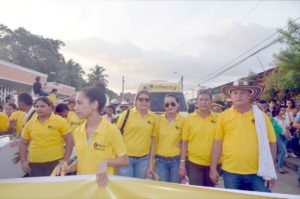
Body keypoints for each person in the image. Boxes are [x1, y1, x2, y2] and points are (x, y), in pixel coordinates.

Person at [210, 80, 277, 192]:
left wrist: (271, 170)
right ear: (230, 96)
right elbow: (218, 143)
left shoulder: (261, 116)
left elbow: (272, 143)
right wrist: (213, 168)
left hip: (259, 172)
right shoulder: (223, 117)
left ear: (250, 95)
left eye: (243, 92)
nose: (238, 95)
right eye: (235, 93)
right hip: (231, 172)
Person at [57, 85, 128, 187]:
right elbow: (83, 158)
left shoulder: (112, 131)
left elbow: (124, 160)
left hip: (103, 187)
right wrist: (69, 168)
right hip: (83, 186)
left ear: (94, 104)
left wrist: (105, 162)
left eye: (79, 103)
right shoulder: (78, 131)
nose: (75, 107)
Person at [19, 97, 73, 177]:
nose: (39, 109)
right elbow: (23, 143)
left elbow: (69, 140)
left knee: (53, 188)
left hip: (55, 162)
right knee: (37, 188)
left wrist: (66, 159)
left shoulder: (59, 121)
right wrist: (23, 162)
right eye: (37, 107)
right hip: (34, 163)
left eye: (42, 106)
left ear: (50, 107)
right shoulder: (30, 123)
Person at [180, 90, 219, 186]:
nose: (204, 102)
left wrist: (255, 107)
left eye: (206, 99)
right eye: (201, 99)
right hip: (194, 163)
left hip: (213, 164)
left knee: (209, 193)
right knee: (197, 193)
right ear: (197, 102)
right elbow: (184, 143)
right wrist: (182, 163)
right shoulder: (188, 119)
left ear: (211, 102)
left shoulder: (219, 118)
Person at [117, 90, 156, 179]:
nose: (144, 102)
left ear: (150, 102)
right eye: (141, 99)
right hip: (126, 159)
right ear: (136, 101)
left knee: (139, 187)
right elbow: (116, 135)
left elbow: (153, 141)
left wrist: (151, 163)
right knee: (126, 187)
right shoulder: (126, 114)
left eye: (147, 100)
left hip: (143, 160)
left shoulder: (153, 118)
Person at [147, 94, 184, 183]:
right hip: (160, 162)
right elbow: (154, 142)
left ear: (178, 104)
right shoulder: (158, 120)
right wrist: (151, 163)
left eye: (172, 104)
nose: (170, 106)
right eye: (167, 104)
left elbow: (187, 141)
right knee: (163, 191)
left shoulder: (184, 121)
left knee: (175, 192)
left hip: (176, 161)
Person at [273, 106, 291, 174]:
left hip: (285, 136)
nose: (283, 111)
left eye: (284, 110)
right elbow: (273, 129)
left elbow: (287, 128)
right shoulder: (275, 119)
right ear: (278, 111)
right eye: (282, 110)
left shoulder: (286, 118)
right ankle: (280, 168)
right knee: (283, 151)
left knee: (281, 152)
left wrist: (289, 135)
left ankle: (280, 166)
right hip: (278, 136)